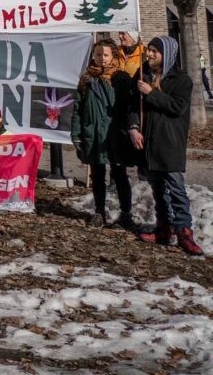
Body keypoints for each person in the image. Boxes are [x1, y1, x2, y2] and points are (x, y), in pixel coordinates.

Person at [129, 36, 203, 255]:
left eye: (154, 51)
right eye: (149, 50)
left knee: (176, 188)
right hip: (148, 141)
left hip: (169, 141)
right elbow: (132, 105)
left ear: (167, 55)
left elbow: (176, 107)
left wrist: (151, 93)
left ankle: (184, 232)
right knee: (157, 188)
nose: (149, 54)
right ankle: (164, 227)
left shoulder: (181, 80)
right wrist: (133, 127)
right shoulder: (142, 74)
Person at [71, 39, 136, 229]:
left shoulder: (121, 79)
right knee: (97, 175)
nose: (102, 59)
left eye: (106, 55)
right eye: (98, 54)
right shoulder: (87, 80)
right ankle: (99, 211)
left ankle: (126, 213)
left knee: (120, 174)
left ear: (113, 56)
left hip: (115, 135)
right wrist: (76, 135)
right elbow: (78, 109)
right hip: (94, 134)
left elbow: (128, 108)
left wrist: (130, 130)